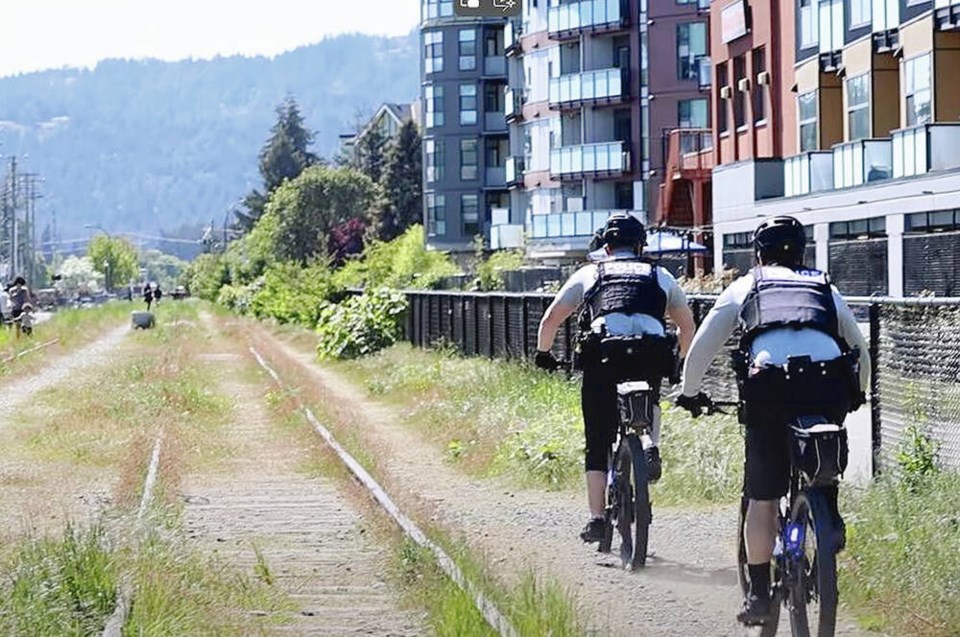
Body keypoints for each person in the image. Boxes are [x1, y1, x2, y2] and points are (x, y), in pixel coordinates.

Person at [675, 216, 870, 627]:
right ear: (802, 252)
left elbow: (703, 348)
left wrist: (689, 392)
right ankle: (826, 517)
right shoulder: (824, 287)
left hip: (771, 388)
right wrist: (857, 394)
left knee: (763, 497)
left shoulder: (746, 285)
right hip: (827, 383)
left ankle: (759, 596)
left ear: (758, 253)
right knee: (821, 463)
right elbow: (859, 348)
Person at [535, 213, 696, 543]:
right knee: (649, 398)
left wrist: (544, 354)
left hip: (604, 354)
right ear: (640, 246)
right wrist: (680, 362)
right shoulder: (661, 275)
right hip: (650, 352)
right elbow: (687, 326)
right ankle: (650, 442)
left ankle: (596, 518)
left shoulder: (591, 272)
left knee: (597, 437)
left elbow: (552, 318)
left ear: (606, 247)